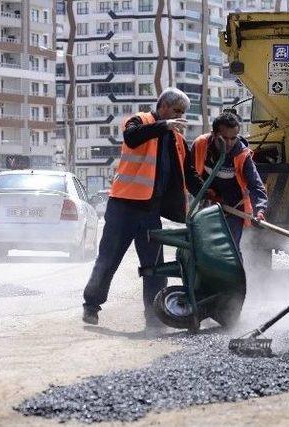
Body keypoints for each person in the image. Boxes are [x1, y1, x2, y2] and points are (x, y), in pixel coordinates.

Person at [82, 88, 204, 328]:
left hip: (150, 211)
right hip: (123, 208)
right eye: (178, 111)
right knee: (108, 259)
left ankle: (156, 317)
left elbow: (188, 173)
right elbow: (132, 137)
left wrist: (208, 192)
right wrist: (165, 125)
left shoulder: (177, 139)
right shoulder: (139, 121)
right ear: (165, 107)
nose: (181, 117)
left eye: (183, 113)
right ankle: (91, 306)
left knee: (155, 268)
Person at [192, 111, 268, 252]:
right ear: (214, 134)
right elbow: (190, 174)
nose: (229, 143)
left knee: (231, 250)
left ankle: (235, 273)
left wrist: (260, 210)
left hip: (233, 209)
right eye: (224, 138)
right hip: (208, 204)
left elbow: (256, 186)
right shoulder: (200, 145)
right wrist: (203, 193)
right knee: (203, 247)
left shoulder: (242, 154)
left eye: (233, 138)